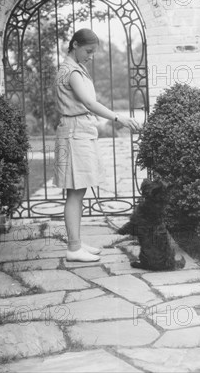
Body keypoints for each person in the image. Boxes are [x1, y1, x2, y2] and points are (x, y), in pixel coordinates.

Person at [54, 28, 140, 262]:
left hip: (80, 132)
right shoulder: (70, 71)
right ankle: (73, 248)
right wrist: (117, 118)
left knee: (78, 190)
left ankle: (77, 244)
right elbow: (90, 103)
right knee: (75, 192)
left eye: (93, 52)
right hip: (75, 135)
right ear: (74, 45)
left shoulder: (76, 68)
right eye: (88, 50)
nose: (91, 56)